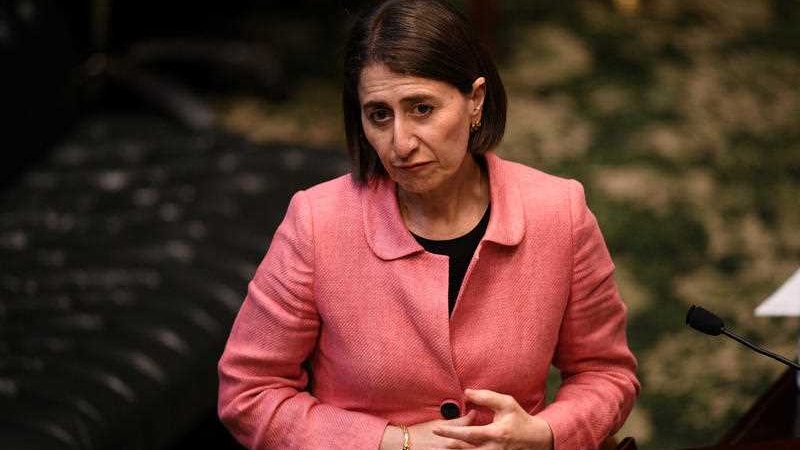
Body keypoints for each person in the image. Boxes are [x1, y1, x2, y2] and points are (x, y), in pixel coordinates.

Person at [217, 0, 640, 449]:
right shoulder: (316, 223)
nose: (400, 143)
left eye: (422, 109)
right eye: (379, 114)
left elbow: (606, 374)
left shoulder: (559, 211)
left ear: (475, 100)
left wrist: (544, 433)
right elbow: (250, 394)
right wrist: (393, 443)